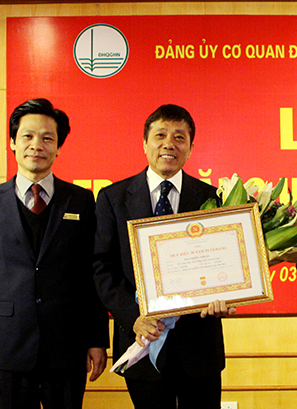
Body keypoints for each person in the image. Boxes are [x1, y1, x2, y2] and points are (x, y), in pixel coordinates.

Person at [0, 98, 110, 409]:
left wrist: (97, 339)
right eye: (27, 136)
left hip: (67, 346)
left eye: (47, 138)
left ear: (58, 147)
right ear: (12, 142)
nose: (36, 145)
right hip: (10, 345)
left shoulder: (81, 201)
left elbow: (90, 277)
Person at [93, 104, 234, 409]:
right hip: (143, 341)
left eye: (179, 137)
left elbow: (224, 263)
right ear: (145, 143)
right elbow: (102, 268)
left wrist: (225, 294)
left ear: (191, 148)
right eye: (160, 135)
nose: (169, 144)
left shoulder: (212, 198)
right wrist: (134, 317)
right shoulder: (113, 198)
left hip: (200, 348)